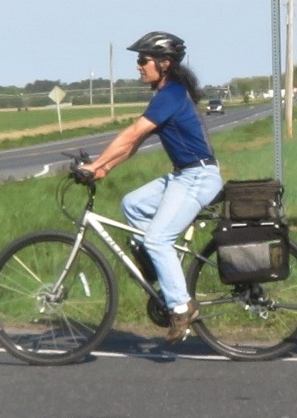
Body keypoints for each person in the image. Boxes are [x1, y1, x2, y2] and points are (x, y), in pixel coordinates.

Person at [81, 31, 223, 344]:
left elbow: (132, 134)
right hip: (184, 174)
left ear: (165, 63)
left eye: (143, 60)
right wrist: (104, 167)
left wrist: (93, 165)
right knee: (132, 204)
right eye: (138, 60)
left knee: (157, 239)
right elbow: (135, 144)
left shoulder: (171, 94)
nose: (138, 66)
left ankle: (182, 307)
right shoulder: (163, 95)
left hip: (198, 176)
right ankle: (164, 269)